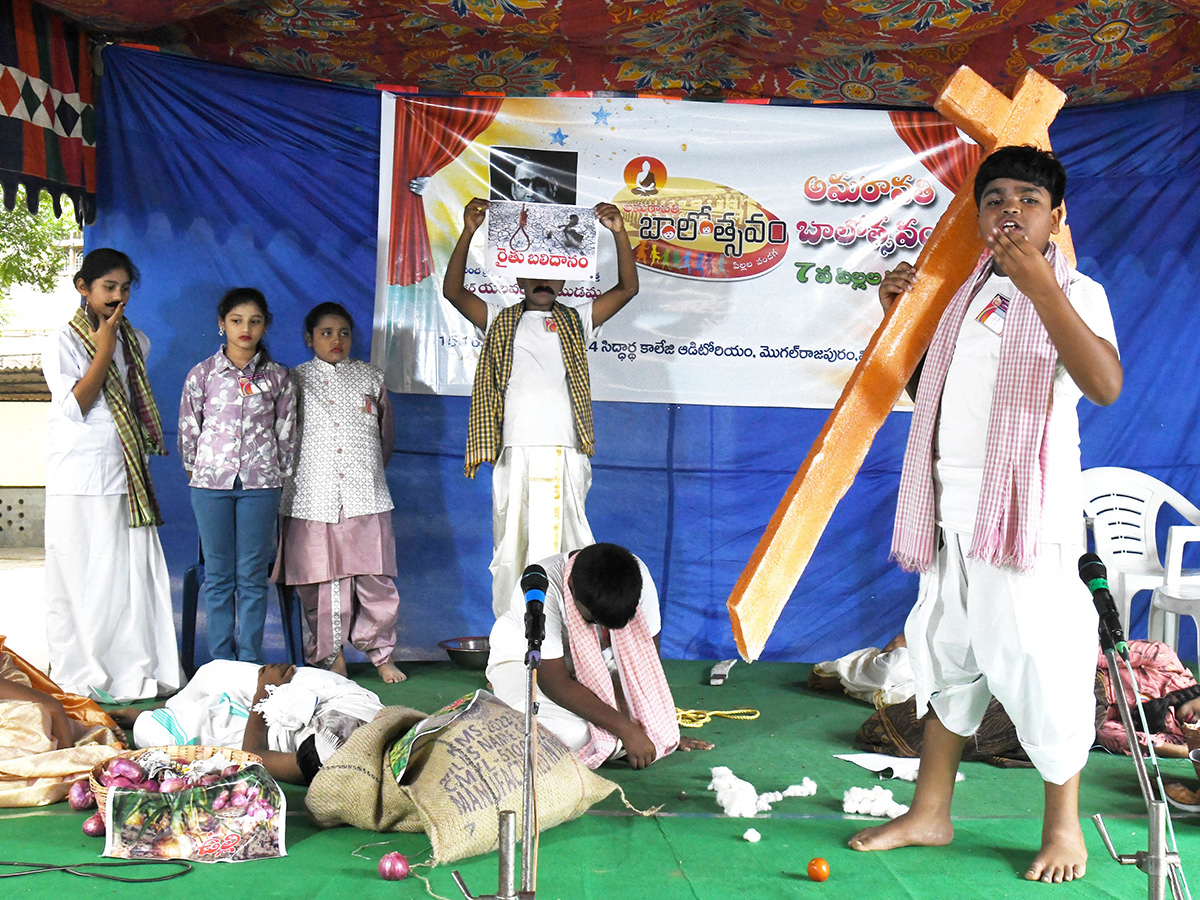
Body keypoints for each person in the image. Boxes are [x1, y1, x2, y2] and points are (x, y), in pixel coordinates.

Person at [849, 146, 1123, 884]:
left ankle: (1064, 827)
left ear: (1056, 217)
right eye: (996, 197)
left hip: (1030, 522)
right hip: (957, 515)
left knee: (1042, 663)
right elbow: (932, 399)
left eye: (1029, 199)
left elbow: (1103, 384)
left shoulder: (1078, 291)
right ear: (976, 216)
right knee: (946, 657)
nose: (1010, 209)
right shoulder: (961, 296)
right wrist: (895, 315)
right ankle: (931, 812)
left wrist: (1043, 291)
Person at [443, 200, 639, 616]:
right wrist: (468, 231)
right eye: (534, 270)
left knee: (571, 549)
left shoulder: (576, 319)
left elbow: (627, 289)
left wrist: (619, 233)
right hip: (516, 451)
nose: (543, 280)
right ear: (517, 273)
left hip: (566, 452)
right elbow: (454, 292)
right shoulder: (498, 318)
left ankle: (570, 636)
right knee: (512, 548)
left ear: (566, 279)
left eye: (553, 272)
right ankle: (514, 636)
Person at [41, 248, 182, 702]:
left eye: (124, 289)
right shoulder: (60, 340)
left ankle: (130, 667)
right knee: (81, 576)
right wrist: (103, 346)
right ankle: (81, 671)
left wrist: (115, 342)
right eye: (108, 287)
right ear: (83, 287)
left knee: (125, 577)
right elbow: (77, 404)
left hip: (125, 474)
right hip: (78, 477)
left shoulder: (135, 341)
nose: (117, 296)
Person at [486, 542, 712, 769]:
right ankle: (499, 697)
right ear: (571, 586)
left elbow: (647, 664)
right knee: (570, 734)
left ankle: (613, 744)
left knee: (641, 720)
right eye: (593, 621)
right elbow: (555, 684)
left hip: (599, 660)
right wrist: (628, 730)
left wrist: (657, 730)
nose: (602, 630)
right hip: (527, 662)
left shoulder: (636, 576)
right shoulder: (542, 588)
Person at [274, 303, 405, 683]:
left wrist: (367, 474)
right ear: (309, 338)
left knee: (374, 580)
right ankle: (331, 658)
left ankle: (382, 655)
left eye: (344, 332)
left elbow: (385, 437)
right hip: (310, 496)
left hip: (365, 494)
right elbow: (282, 434)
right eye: (327, 333)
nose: (337, 340)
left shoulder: (370, 378)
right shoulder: (294, 381)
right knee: (320, 584)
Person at [178, 288, 295, 664]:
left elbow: (287, 433)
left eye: (255, 321)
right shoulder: (203, 374)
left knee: (251, 576)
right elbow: (188, 428)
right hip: (210, 486)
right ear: (221, 324)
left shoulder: (279, 378)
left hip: (261, 487)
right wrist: (199, 470)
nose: (245, 328)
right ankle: (220, 663)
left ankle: (247, 662)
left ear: (266, 326)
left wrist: (278, 475)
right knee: (218, 574)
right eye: (236, 320)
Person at [122, 661, 381, 785]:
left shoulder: (322, 763)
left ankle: (152, 714)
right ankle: (171, 704)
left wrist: (264, 691)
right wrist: (269, 688)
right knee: (208, 674)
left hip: (270, 736)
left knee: (152, 732)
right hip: (317, 690)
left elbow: (253, 755)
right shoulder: (382, 722)